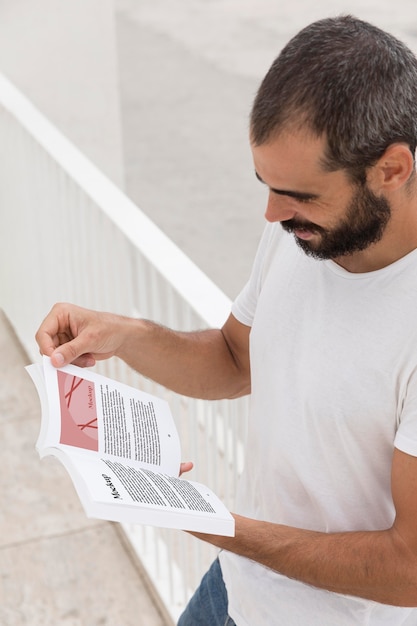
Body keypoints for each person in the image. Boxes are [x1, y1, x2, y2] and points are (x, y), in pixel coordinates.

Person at [35, 15, 417, 625]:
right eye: (265, 184)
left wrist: (222, 527)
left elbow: (410, 568)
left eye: (298, 194)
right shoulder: (301, 231)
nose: (272, 214)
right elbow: (238, 360)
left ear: (392, 169)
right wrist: (123, 335)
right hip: (234, 588)